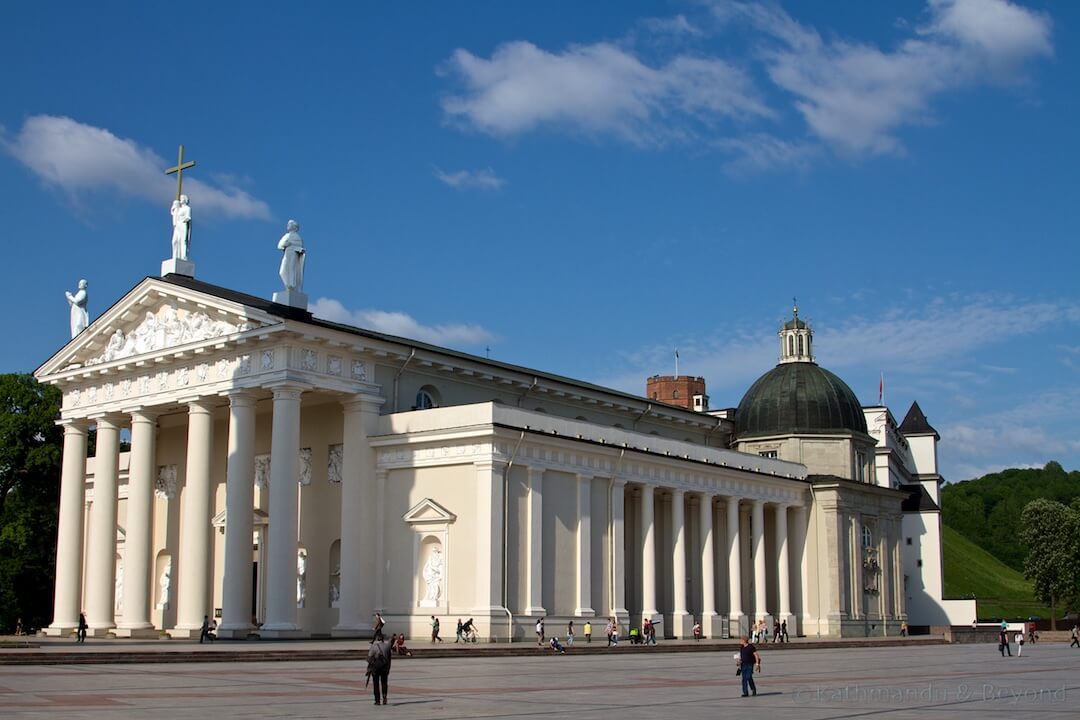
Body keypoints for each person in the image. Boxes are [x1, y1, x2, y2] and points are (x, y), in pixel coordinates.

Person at [277, 219, 306, 292]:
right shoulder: (286, 236)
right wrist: (285, 244)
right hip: (287, 254)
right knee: (282, 271)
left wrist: (298, 249)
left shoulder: (297, 237)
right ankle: (288, 285)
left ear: (294, 227)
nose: (288, 226)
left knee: (291, 269)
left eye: (289, 225)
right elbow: (279, 245)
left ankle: (292, 286)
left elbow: (300, 246)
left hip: (293, 254)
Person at [366, 633, 393, 706]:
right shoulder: (387, 646)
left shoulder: (374, 647)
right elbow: (389, 658)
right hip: (385, 668)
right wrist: (388, 667)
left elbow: (369, 658)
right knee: (384, 683)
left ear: (377, 638)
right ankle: (384, 698)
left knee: (376, 684)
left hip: (376, 668)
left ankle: (377, 700)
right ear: (383, 639)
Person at [171, 195, 192, 261]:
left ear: (185, 200)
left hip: (183, 224)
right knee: (174, 241)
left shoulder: (187, 208)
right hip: (177, 225)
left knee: (183, 240)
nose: (181, 199)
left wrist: (183, 220)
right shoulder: (179, 209)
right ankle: (175, 255)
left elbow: (188, 217)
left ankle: (183, 256)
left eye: (182, 198)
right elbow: (173, 213)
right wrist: (174, 207)